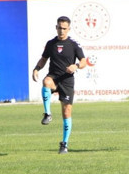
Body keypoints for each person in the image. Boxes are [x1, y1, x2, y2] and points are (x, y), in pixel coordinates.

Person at [32, 16, 89, 154]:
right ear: (56, 27)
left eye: (64, 28)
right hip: (54, 77)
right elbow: (43, 59)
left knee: (66, 112)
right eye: (59, 28)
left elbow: (83, 62)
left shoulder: (74, 44)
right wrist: (36, 69)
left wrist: (76, 66)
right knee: (46, 81)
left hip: (67, 81)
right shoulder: (51, 43)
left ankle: (64, 144)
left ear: (69, 29)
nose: (61, 31)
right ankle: (47, 114)